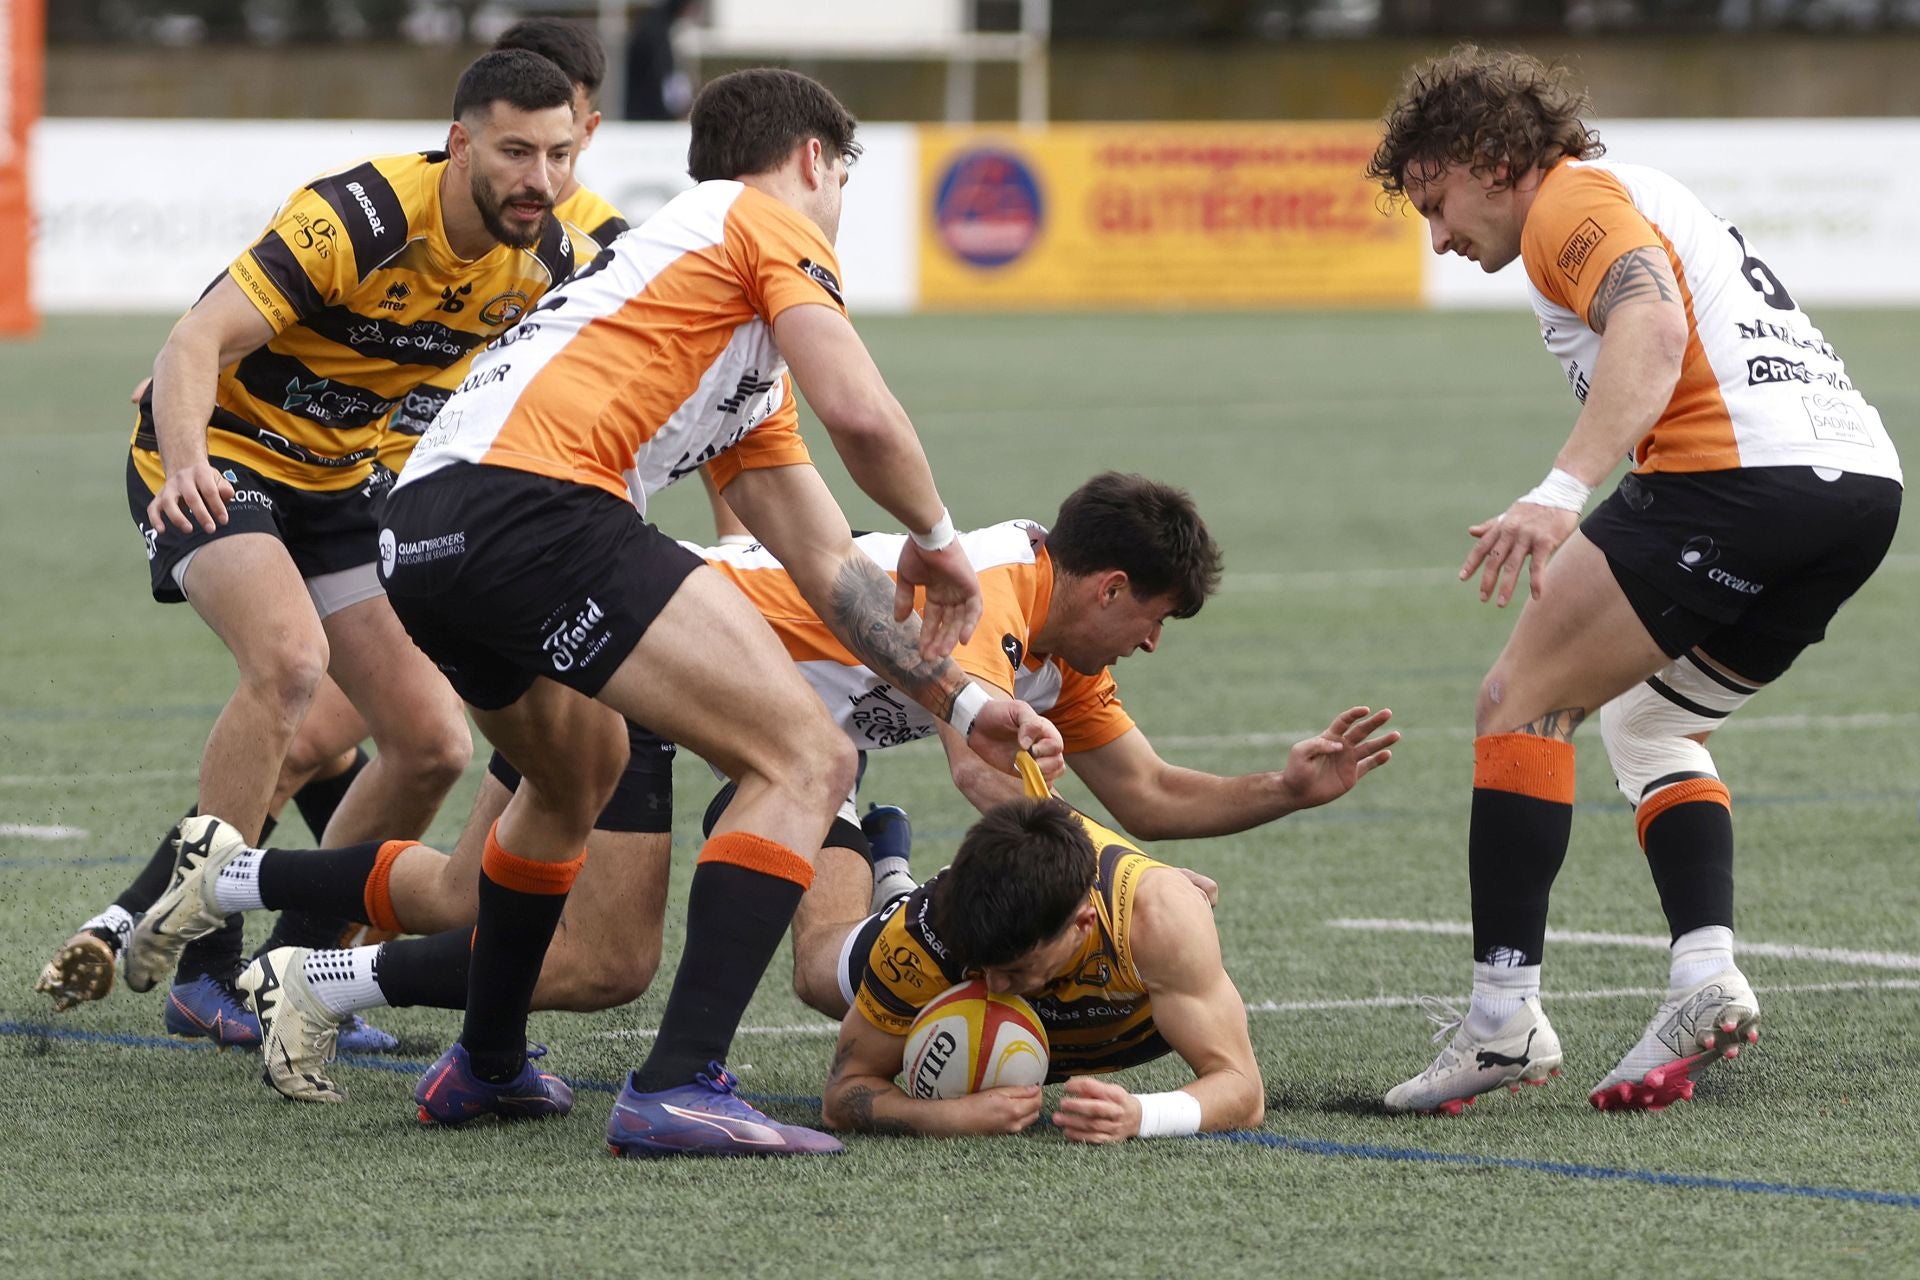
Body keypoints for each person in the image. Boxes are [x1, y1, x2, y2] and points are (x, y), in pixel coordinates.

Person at [126, 67, 1064, 1157]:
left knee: (576, 775)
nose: (839, 198)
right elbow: (862, 410)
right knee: (809, 756)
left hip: (424, 530)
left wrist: (952, 695)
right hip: (536, 509)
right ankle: (679, 1082)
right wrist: (945, 544)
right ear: (816, 159)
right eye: (841, 174)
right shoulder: (760, 220)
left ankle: (483, 1063)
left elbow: (822, 556)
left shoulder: (712, 312)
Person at [134, 473, 1394, 1110]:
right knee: (594, 957)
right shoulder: (996, 592)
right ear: (1110, 585)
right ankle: (303, 951)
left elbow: (1156, 792)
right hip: (641, 667)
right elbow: (976, 757)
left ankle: (238, 884)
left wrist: (1285, 788)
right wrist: (1100, 865)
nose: (1152, 649)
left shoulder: (1063, 653)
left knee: (823, 958)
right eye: (1156, 621)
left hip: (766, 747)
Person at [36, 39, 626, 1044]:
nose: (543, 179)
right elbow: (191, 342)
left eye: (560, 156)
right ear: (459, 144)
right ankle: (203, 962)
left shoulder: (558, 256)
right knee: (290, 663)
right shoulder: (363, 213)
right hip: (223, 457)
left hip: (344, 485)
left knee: (432, 740)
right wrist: (185, 458)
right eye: (519, 154)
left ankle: (289, 965)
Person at [1364, 45, 1902, 1115]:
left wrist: (1561, 491)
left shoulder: (1568, 204)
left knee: (1518, 701)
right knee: (1650, 726)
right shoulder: (1635, 194)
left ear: (1491, 155)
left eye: (1437, 200)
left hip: (1735, 478)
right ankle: (1705, 975)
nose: (1437, 235)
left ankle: (1501, 1019)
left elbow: (1653, 328)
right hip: (1860, 490)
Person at [821, 764, 1262, 1142]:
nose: (994, 986)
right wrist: (947, 1117)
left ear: (1083, 923)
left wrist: (1142, 1115)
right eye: (981, 966)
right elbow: (844, 1094)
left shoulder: (1159, 917)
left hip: (1124, 1006)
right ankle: (873, 852)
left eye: (1015, 969)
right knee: (815, 969)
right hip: (924, 941)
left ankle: (893, 876)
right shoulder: (925, 937)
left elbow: (1243, 1090)